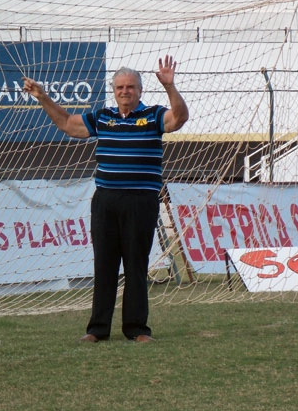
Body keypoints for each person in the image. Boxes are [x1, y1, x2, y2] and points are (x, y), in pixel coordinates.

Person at [22, 55, 189, 343]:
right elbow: (67, 124)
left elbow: (179, 119)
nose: (125, 91)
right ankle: (97, 329)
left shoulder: (153, 115)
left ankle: (137, 329)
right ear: (113, 90)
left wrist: (170, 87)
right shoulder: (103, 117)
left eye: (131, 87)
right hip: (106, 200)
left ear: (140, 90)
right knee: (104, 265)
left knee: (136, 265)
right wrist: (42, 97)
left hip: (141, 201)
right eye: (120, 87)